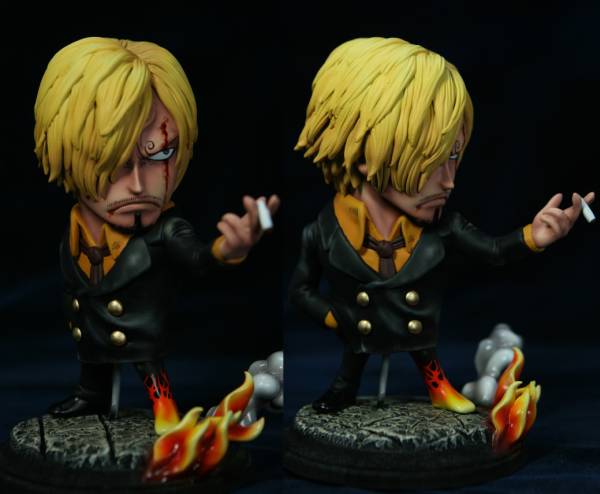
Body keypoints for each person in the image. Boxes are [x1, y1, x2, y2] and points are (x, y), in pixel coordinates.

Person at [290, 37, 592, 414]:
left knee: (421, 349)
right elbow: (300, 290)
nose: (449, 182)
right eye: (431, 161)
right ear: (366, 153)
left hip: (420, 336)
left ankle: (437, 385)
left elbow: (494, 252)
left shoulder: (444, 228)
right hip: (360, 334)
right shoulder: (323, 232)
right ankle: (343, 388)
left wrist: (535, 235)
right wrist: (336, 317)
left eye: (453, 158)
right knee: (355, 356)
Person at [34, 37, 279, 431]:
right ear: (67, 151)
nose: (137, 185)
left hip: (141, 333)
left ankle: (164, 407)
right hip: (92, 333)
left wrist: (228, 249)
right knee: (93, 358)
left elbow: (197, 256)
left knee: (149, 367)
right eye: (112, 160)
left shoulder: (165, 228)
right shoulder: (77, 226)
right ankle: (91, 394)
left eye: (161, 154)